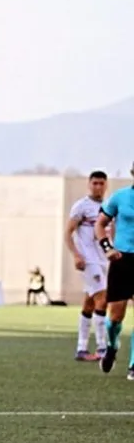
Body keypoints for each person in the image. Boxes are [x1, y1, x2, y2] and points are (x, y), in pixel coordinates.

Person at [94, 162, 134, 378]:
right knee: (115, 317)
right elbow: (100, 224)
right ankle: (112, 346)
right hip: (122, 259)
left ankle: (133, 365)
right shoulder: (120, 197)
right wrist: (107, 248)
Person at [65, 171, 110, 361]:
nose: (98, 187)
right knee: (103, 298)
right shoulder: (81, 206)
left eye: (101, 183)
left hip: (104, 258)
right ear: (89, 184)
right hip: (88, 259)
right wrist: (76, 255)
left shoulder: (108, 206)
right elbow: (68, 233)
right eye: (95, 183)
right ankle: (102, 347)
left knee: (89, 302)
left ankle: (81, 348)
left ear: (106, 185)